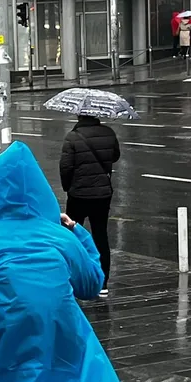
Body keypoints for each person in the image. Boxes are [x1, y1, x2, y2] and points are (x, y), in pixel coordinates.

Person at [0, 142, 135, 382]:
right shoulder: (58, 237)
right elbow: (92, 283)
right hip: (63, 335)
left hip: (10, 336)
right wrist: (75, 231)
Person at [59, 115, 120, 296]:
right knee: (100, 235)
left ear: (79, 115)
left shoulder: (72, 137)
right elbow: (115, 156)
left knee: (72, 236)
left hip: (78, 194)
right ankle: (103, 283)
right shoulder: (108, 133)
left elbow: (66, 167)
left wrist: (67, 187)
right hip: (103, 194)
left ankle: (72, 276)